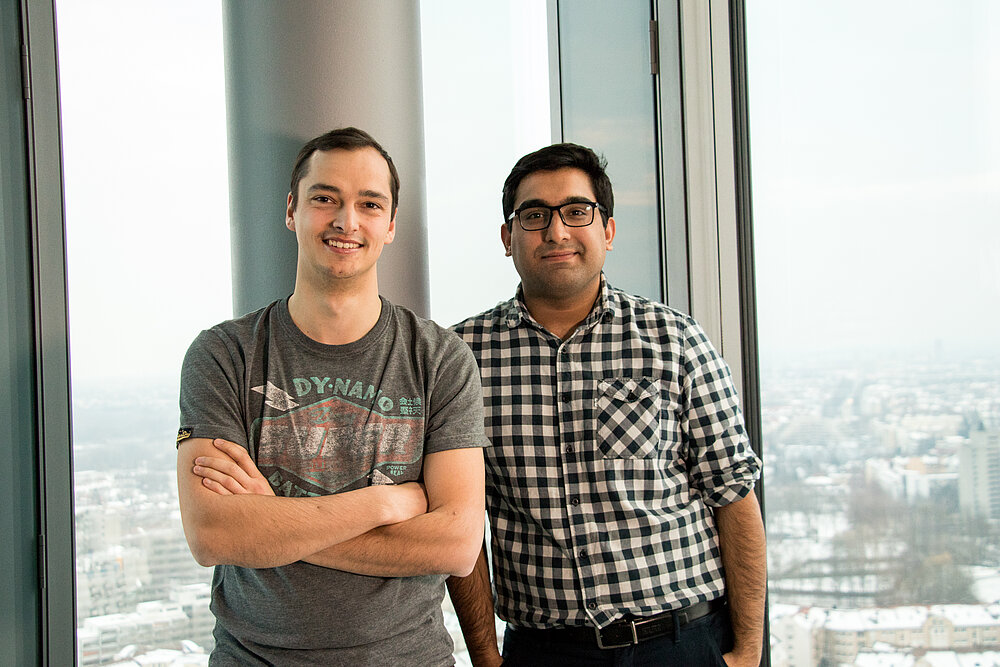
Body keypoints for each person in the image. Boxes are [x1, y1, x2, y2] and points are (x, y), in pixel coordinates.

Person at [176, 127, 488, 666]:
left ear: (390, 225)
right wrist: (384, 503)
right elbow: (214, 533)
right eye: (326, 199)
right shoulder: (223, 355)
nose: (347, 221)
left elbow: (456, 544)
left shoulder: (440, 359)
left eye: (369, 204)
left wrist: (273, 523)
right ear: (292, 209)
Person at [446, 143, 766, 666]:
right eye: (534, 216)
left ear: (608, 231)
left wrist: (748, 653)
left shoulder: (674, 340)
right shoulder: (461, 357)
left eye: (577, 211)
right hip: (545, 652)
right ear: (508, 238)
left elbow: (733, 495)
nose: (556, 231)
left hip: (682, 643)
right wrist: (485, 657)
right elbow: (460, 523)